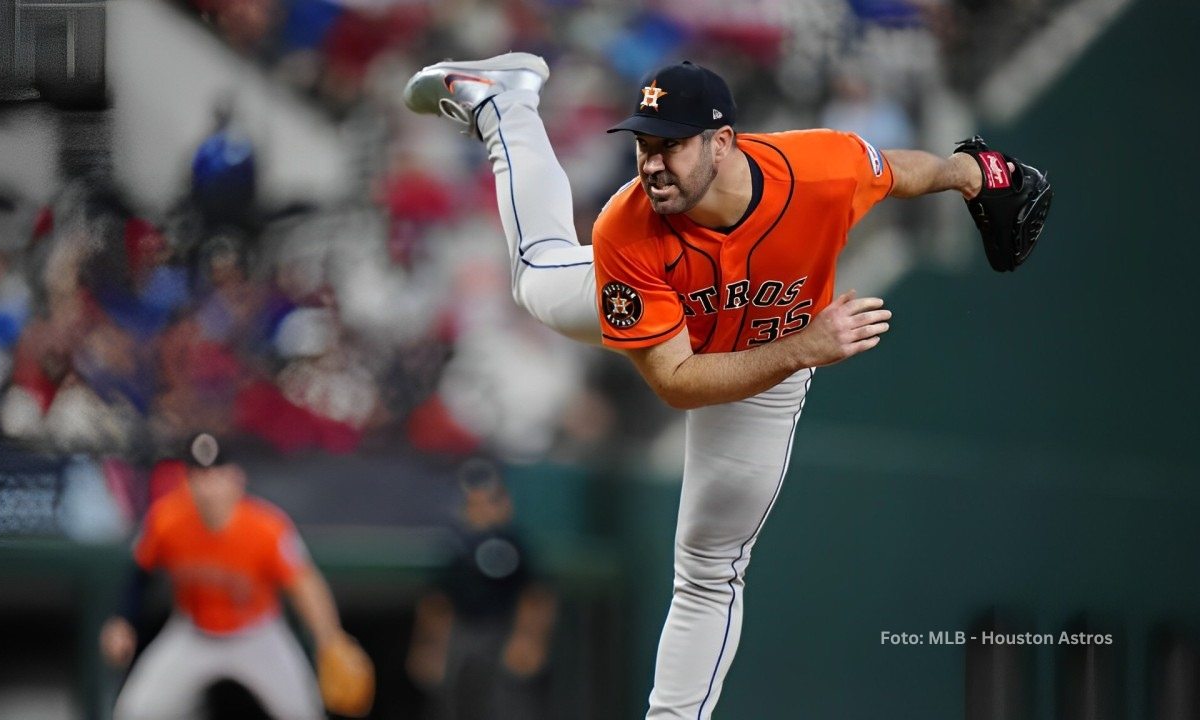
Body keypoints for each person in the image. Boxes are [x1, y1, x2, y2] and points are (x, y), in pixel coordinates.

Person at [402, 53, 1005, 718]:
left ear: (722, 143)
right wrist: (807, 345)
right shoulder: (626, 226)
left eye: (671, 146)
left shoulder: (821, 168)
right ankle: (506, 102)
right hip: (691, 335)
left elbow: (898, 173)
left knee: (712, 568)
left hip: (765, 360)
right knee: (535, 273)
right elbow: (679, 382)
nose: (652, 163)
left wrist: (971, 173)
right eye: (643, 145)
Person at [100, 432, 364, 720]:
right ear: (186, 482)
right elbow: (140, 571)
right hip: (193, 633)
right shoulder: (167, 519)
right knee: (136, 712)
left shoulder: (266, 527)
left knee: (303, 713)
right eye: (199, 476)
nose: (207, 487)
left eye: (216, 476)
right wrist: (123, 619)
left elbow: (304, 583)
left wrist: (330, 637)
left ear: (236, 479)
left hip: (257, 636)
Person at [406, 459, 557, 720]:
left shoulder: (514, 542)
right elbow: (438, 602)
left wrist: (528, 638)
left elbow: (536, 595)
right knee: (453, 700)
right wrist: (431, 646)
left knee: (507, 701)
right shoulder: (455, 544)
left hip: (503, 629)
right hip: (462, 632)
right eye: (473, 502)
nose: (482, 508)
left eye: (491, 500)